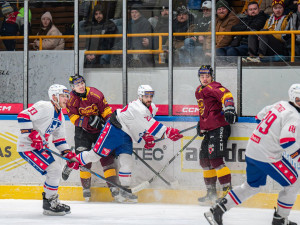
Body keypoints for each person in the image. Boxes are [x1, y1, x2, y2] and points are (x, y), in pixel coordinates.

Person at [63, 85, 184, 202]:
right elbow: (152, 125)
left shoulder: (151, 108)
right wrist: (168, 131)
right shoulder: (137, 107)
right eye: (146, 96)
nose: (149, 99)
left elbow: (142, 125)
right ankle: (72, 162)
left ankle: (125, 189)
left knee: (127, 162)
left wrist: (146, 136)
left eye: (151, 96)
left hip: (127, 135)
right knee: (95, 156)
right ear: (140, 96)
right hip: (114, 130)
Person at [204, 84, 300, 225]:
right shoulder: (295, 116)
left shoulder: (281, 104)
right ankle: (280, 219)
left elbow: (259, 117)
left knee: (252, 186)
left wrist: (269, 134)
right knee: (294, 183)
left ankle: (217, 210)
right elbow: (287, 141)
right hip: (267, 156)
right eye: (299, 99)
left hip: (253, 149)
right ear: (293, 98)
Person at [16, 84, 74, 216]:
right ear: (54, 96)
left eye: (67, 96)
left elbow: (59, 139)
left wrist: (69, 155)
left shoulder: (60, 116)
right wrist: (32, 134)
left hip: (39, 147)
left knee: (55, 170)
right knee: (54, 170)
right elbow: (23, 116)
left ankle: (50, 201)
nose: (66, 99)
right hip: (28, 147)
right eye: (63, 96)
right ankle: (49, 203)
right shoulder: (45, 106)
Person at [63, 74, 122, 202]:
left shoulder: (96, 94)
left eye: (82, 83)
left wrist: (109, 122)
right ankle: (86, 189)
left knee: (107, 156)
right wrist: (87, 121)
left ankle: (113, 188)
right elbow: (72, 117)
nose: (81, 86)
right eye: (77, 84)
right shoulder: (71, 100)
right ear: (73, 87)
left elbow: (106, 110)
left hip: (100, 129)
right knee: (84, 158)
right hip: (82, 131)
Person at [195, 65, 237, 204]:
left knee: (216, 160)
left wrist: (229, 108)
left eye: (207, 76)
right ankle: (211, 193)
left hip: (219, 127)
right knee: (204, 161)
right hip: (209, 130)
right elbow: (205, 109)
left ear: (212, 76)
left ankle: (227, 191)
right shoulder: (198, 90)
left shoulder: (214, 87)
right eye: (202, 76)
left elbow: (226, 94)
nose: (205, 78)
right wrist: (201, 123)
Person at [178, 0, 212, 65]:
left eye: (207, 10)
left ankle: (191, 64)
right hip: (198, 41)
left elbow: (212, 33)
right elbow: (196, 30)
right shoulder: (200, 20)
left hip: (206, 44)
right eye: (204, 10)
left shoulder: (214, 20)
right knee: (186, 42)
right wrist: (196, 37)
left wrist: (203, 36)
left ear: (212, 10)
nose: (205, 11)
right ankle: (184, 67)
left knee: (187, 48)